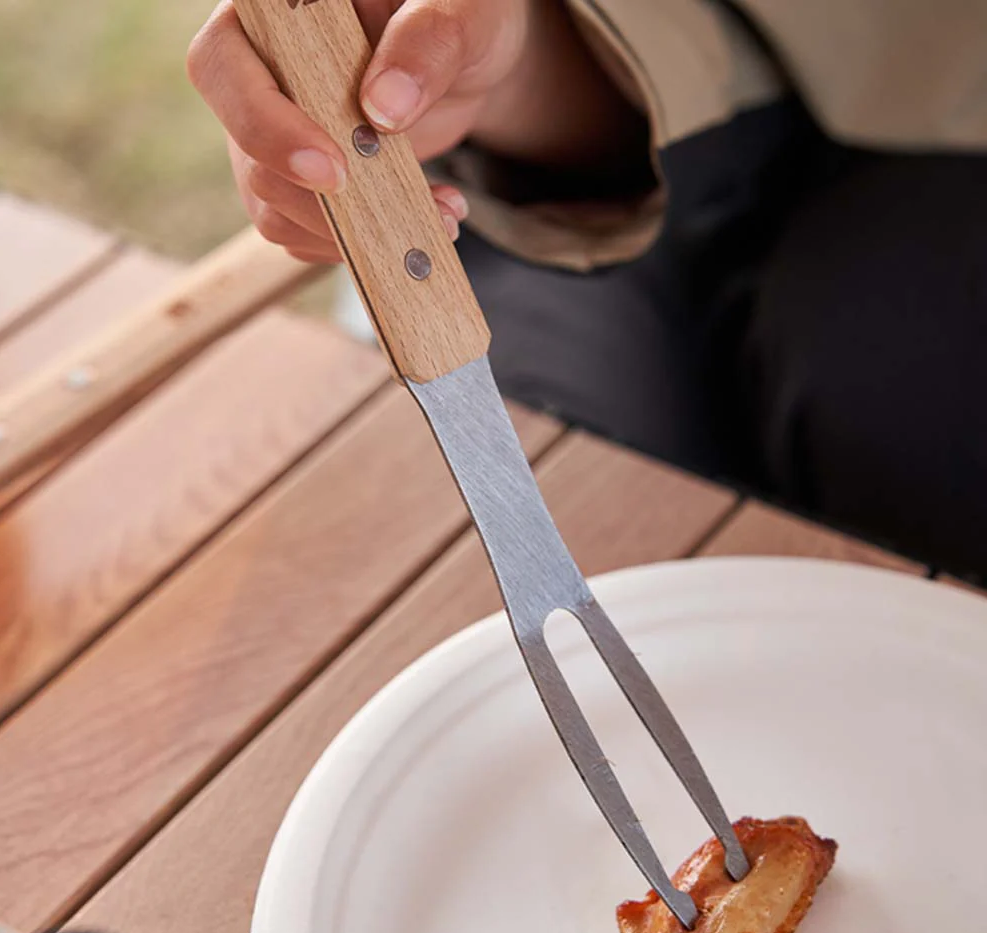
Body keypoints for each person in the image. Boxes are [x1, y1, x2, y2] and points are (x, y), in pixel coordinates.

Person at [188, 0, 987, 579]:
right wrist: (506, 73)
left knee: (883, 404)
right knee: (578, 481)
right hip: (627, 140)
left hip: (953, 134)